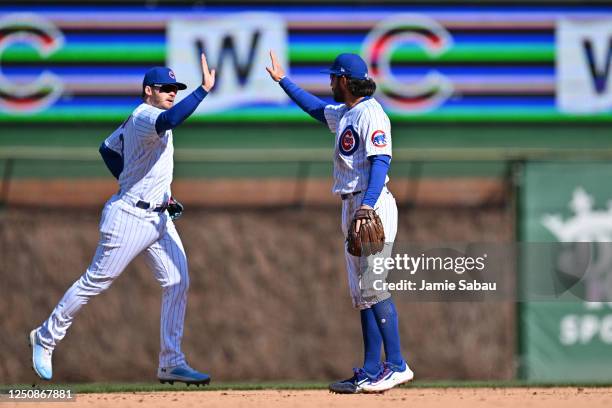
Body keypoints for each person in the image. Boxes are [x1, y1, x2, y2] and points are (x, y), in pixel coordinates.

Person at [29, 53, 216, 386]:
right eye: (164, 88)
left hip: (158, 218)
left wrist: (135, 180)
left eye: (175, 88)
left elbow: (106, 147)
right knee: (95, 282)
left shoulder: (141, 119)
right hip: (129, 216)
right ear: (148, 91)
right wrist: (201, 90)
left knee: (178, 281)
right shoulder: (146, 116)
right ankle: (45, 337)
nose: (171, 92)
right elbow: (170, 120)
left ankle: (170, 361)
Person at [266, 51, 414, 393]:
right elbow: (316, 109)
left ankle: (397, 364)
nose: (330, 82)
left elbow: (381, 162)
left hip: (370, 204)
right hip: (352, 205)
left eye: (333, 77)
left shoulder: (371, 113)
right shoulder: (347, 112)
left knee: (374, 286)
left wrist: (367, 207)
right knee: (362, 294)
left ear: (345, 80)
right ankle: (371, 369)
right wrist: (283, 81)